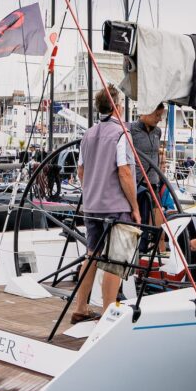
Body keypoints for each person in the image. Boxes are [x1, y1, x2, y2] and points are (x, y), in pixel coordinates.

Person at [70, 85, 141, 324]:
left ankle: (80, 307)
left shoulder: (88, 134)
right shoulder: (122, 134)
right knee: (115, 259)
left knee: (91, 256)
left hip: (92, 205)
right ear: (118, 107)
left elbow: (81, 170)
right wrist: (135, 207)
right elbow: (125, 173)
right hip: (115, 206)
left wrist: (91, 188)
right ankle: (109, 312)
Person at [128, 103, 168, 226]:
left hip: (154, 184)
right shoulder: (131, 130)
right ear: (147, 111)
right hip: (137, 184)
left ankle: (157, 244)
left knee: (158, 226)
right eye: (157, 115)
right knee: (138, 224)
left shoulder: (158, 131)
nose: (160, 119)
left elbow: (156, 154)